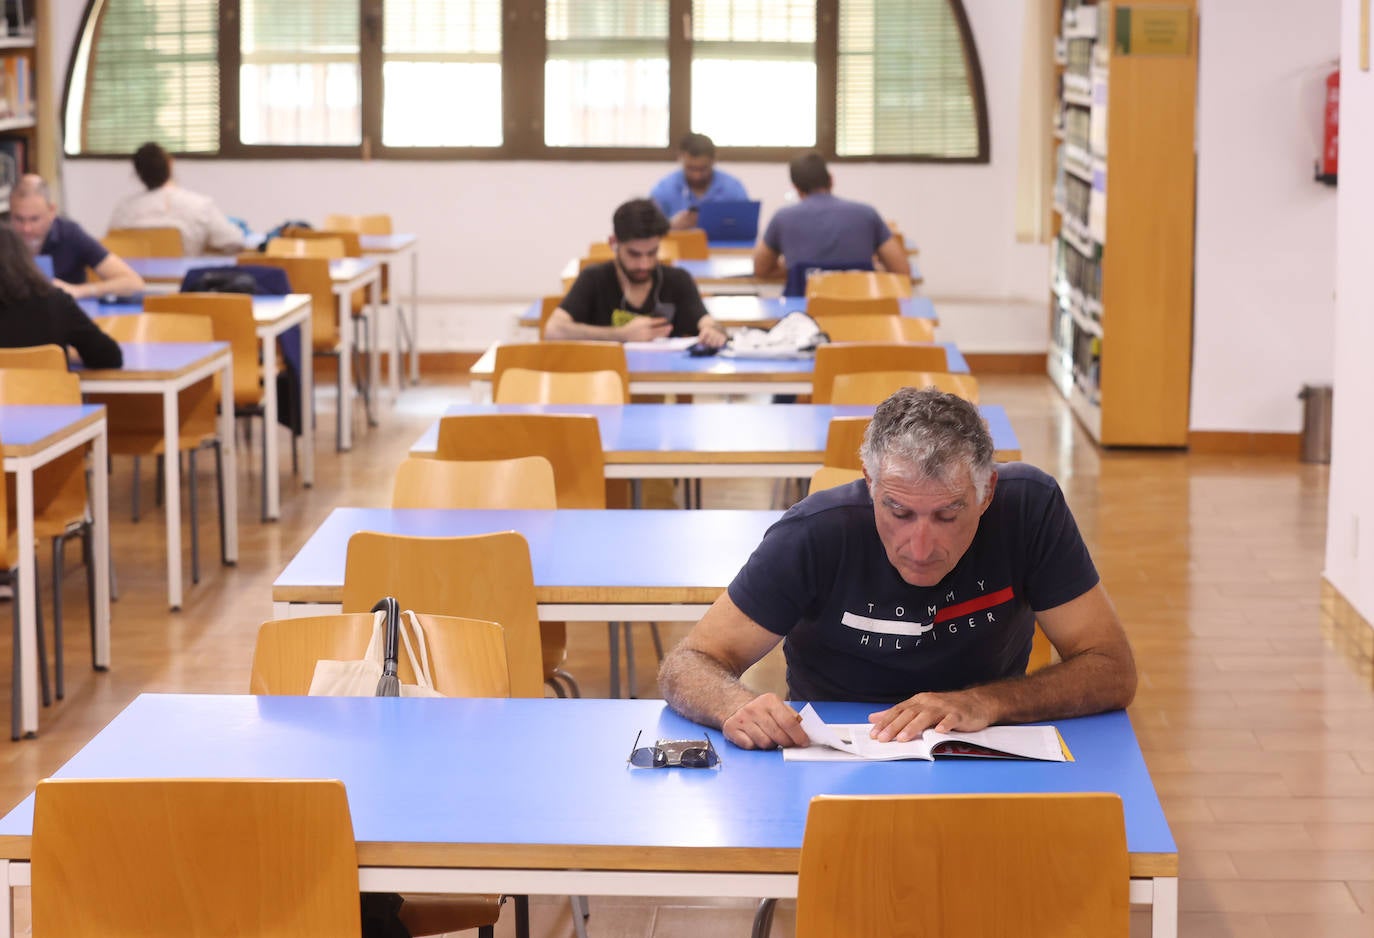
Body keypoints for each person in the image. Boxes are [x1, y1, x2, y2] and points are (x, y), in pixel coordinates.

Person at [659, 387, 1136, 750]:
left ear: (987, 492)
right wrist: (736, 705)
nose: (920, 547)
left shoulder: (1030, 508)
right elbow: (689, 662)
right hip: (833, 756)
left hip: (981, 747)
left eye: (948, 514)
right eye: (899, 512)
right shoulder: (815, 533)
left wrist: (988, 701)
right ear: (870, 483)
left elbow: (1112, 668)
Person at [544, 199, 728, 347]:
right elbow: (553, 330)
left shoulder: (678, 280)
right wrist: (620, 334)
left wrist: (713, 332)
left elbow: (708, 323)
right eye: (634, 254)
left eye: (652, 253)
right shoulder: (594, 278)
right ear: (614, 243)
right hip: (605, 377)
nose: (644, 264)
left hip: (662, 376)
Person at [752, 151, 910, 285]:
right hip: (860, 309)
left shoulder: (782, 218)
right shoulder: (867, 214)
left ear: (796, 188)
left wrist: (801, 272)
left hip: (805, 310)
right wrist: (869, 270)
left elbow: (761, 269)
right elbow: (902, 271)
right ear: (831, 180)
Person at [0, 224, 124, 368]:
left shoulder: (55, 300)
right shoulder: (56, 302)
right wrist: (63, 354)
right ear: (24, 257)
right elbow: (110, 357)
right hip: (48, 382)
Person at [9, 174, 145, 300]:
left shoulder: (71, 235)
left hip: (65, 315)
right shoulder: (5, 238)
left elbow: (133, 283)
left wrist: (80, 291)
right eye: (18, 219)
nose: (26, 229)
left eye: (34, 219)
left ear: (51, 211)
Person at [108, 141, 246, 256]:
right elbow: (234, 242)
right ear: (170, 163)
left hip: (136, 279)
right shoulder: (199, 205)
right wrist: (205, 248)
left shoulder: (123, 210)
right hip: (183, 280)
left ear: (138, 173)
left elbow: (111, 248)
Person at [649, 133, 750, 231]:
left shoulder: (733, 188)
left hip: (723, 243)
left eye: (703, 169)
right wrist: (670, 226)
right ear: (680, 157)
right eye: (691, 168)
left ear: (714, 159)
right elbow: (648, 233)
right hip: (677, 242)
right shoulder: (663, 190)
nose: (696, 176)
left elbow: (747, 228)